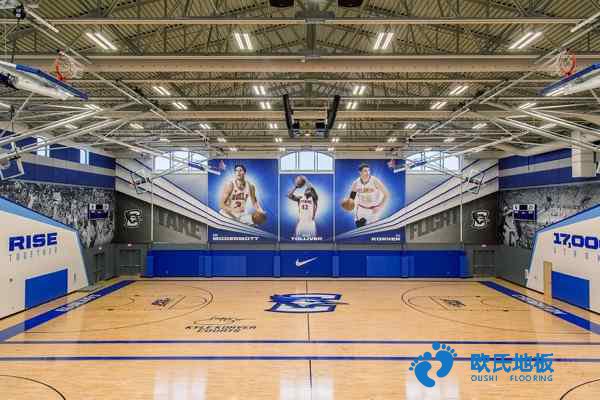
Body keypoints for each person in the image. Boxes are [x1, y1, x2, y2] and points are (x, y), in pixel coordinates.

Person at [345, 163, 389, 227]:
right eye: (365, 171)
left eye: (369, 170)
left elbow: (386, 194)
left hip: (374, 209)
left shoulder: (375, 181)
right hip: (361, 209)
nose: (368, 172)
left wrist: (380, 206)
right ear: (360, 172)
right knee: (360, 228)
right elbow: (352, 198)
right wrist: (348, 204)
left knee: (373, 229)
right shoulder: (356, 183)